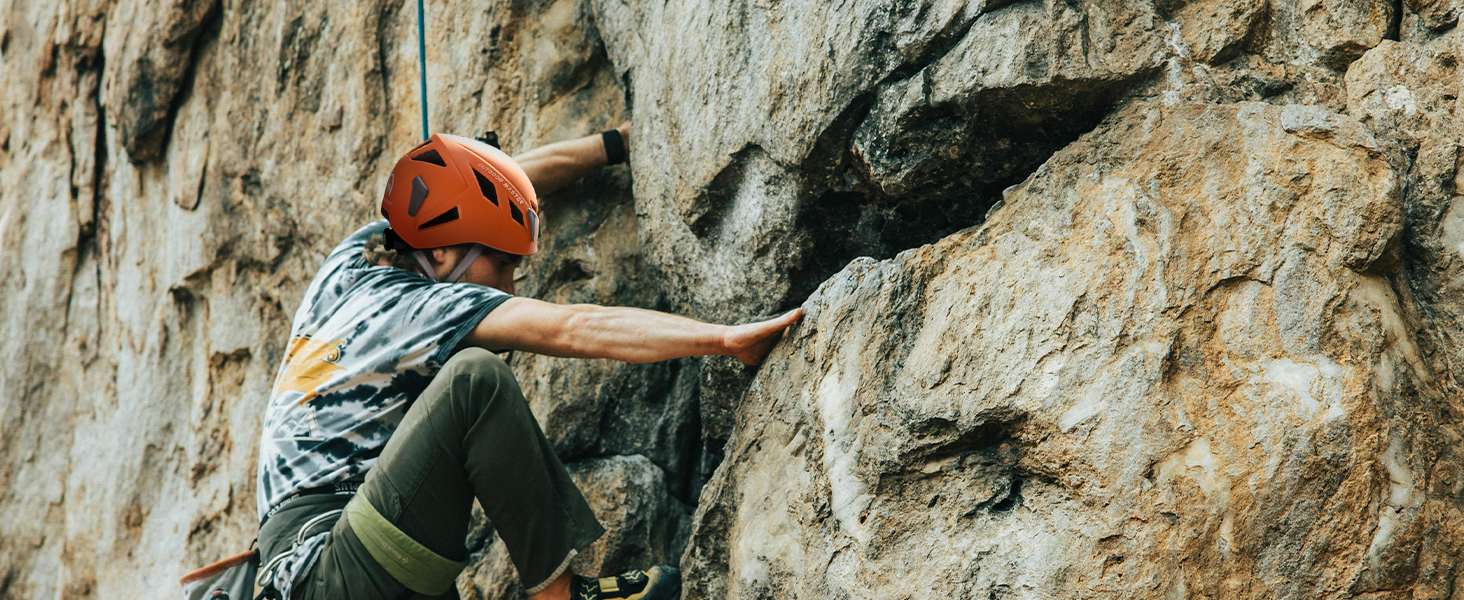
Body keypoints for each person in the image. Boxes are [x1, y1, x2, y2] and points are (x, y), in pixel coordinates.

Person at [253, 123, 801, 600]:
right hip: (334, 563)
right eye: (502, 264)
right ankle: (561, 595)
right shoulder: (422, 308)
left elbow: (498, 186)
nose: (512, 285)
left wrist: (615, 144)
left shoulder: (350, 263)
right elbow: (576, 326)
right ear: (442, 254)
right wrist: (727, 339)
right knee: (475, 379)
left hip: (342, 562)